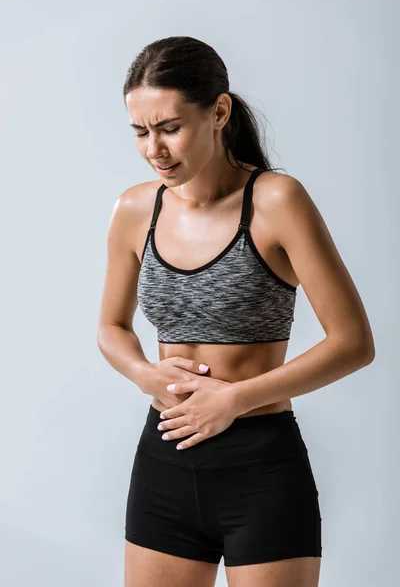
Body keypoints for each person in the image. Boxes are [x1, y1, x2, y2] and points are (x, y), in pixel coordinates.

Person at [97, 36, 375, 587]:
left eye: (170, 127)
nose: (154, 149)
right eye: (140, 132)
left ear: (218, 111)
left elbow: (353, 343)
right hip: (164, 463)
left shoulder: (276, 201)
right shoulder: (135, 210)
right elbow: (110, 327)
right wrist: (143, 372)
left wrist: (232, 401)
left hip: (261, 472)